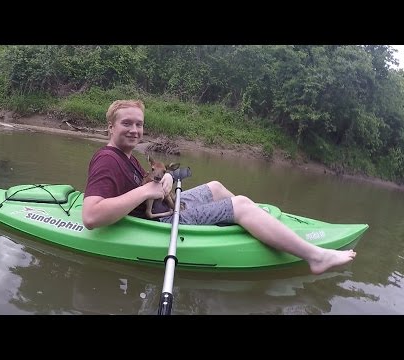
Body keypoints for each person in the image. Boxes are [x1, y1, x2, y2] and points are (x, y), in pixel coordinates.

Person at [82, 99, 357, 275]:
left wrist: (164, 180)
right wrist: (145, 192)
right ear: (110, 127)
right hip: (156, 223)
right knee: (239, 204)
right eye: (126, 123)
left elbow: (146, 184)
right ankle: (315, 257)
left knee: (215, 186)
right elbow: (91, 217)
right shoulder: (107, 159)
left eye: (139, 124)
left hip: (165, 206)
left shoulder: (128, 157)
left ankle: (253, 222)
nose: (134, 130)